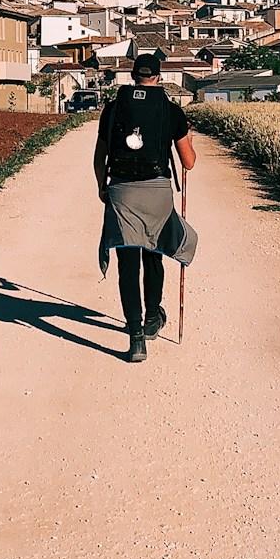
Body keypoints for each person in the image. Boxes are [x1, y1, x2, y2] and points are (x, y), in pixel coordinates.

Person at [94, 52, 197, 362]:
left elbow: (100, 156)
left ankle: (136, 337)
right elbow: (188, 162)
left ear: (132, 76)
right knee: (154, 254)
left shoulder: (113, 109)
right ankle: (153, 318)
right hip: (157, 192)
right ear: (158, 77)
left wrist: (102, 188)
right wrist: (189, 137)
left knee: (128, 263)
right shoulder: (171, 110)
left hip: (121, 191)